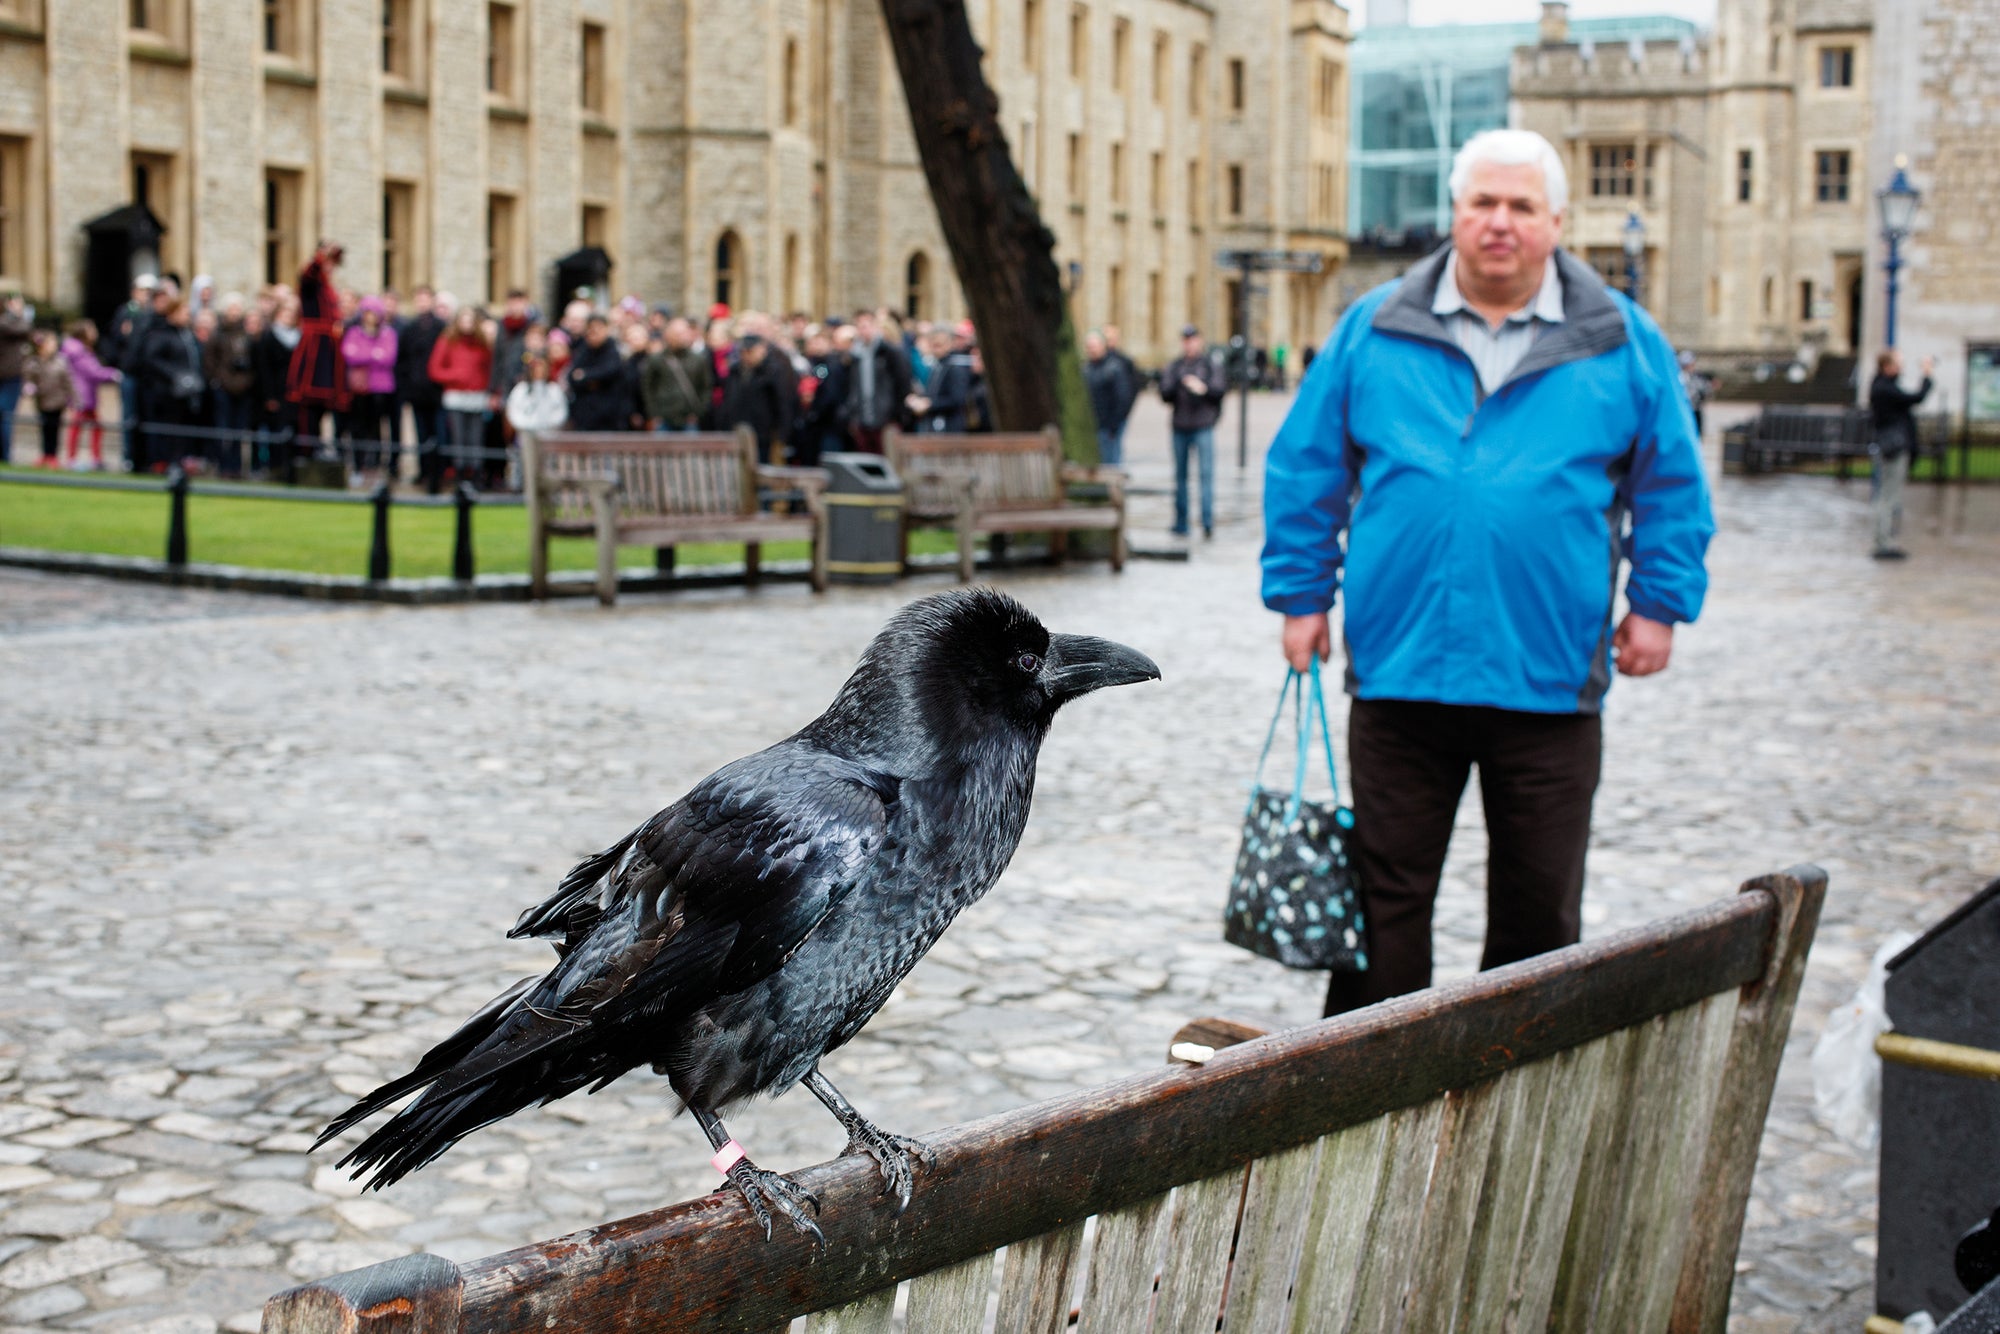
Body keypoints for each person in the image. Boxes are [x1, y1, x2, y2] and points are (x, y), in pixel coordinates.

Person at [1260, 127, 1714, 1019]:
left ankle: (1520, 1099)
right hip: (1401, 671)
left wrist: (1658, 604)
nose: (1499, 223)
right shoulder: (1376, 324)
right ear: (1456, 213)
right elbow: (1306, 467)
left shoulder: (1620, 339)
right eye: (1483, 204)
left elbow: (1672, 482)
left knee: (1539, 916)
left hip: (1546, 677)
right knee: (1381, 910)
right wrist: (1301, 595)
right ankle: (1365, 1095)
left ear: (1556, 222)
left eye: (1520, 207)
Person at [285, 241, 351, 471]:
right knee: (308, 404)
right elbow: (307, 274)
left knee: (327, 403)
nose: (330, 267)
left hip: (330, 350)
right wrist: (320, 256)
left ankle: (321, 446)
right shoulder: (312, 284)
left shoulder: (328, 288)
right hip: (315, 348)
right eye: (328, 263)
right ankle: (307, 449)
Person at [1159, 326, 1226, 538]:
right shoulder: (1176, 366)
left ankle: (1207, 521)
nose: (1189, 344)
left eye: (1193, 340)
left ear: (1199, 341)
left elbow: (1219, 391)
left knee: (1206, 475)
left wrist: (1201, 388)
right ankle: (1181, 521)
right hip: (1180, 426)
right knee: (1180, 476)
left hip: (1203, 426)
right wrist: (1179, 383)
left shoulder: (1209, 365)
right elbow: (1165, 393)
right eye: (1186, 340)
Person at [1867, 348, 1934, 561]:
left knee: (1888, 495)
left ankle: (1885, 540)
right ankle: (1883, 543)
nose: (1901, 367)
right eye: (1898, 363)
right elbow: (1916, 397)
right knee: (1888, 496)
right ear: (1887, 366)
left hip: (1892, 445)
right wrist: (1926, 374)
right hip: (1893, 447)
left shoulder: (1883, 385)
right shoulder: (1884, 388)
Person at [134, 297, 206, 471]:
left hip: (184, 391)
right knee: (166, 428)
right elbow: (152, 359)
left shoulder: (186, 335)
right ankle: (162, 460)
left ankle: (178, 460)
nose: (187, 316)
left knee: (181, 428)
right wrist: (175, 375)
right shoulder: (160, 334)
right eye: (184, 312)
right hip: (165, 391)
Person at [427, 305, 494, 489]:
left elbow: (489, 368)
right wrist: (456, 376)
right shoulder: (447, 341)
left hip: (477, 396)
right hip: (456, 396)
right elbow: (435, 370)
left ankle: (476, 474)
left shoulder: (482, 344)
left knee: (476, 438)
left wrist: (486, 387)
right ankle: (460, 474)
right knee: (459, 437)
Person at [340, 297, 400, 477]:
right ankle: (358, 464)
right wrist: (373, 354)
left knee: (376, 427)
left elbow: (388, 358)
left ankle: (375, 464)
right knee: (358, 427)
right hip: (359, 388)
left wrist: (364, 354)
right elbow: (349, 356)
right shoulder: (354, 333)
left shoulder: (388, 333)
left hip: (381, 389)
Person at [840, 309, 912, 453]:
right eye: (859, 327)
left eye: (865, 326)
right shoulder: (855, 355)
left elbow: (902, 384)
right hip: (862, 418)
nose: (862, 331)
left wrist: (896, 414)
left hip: (885, 418)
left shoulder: (890, 352)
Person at [717, 333, 793, 462]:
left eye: (750, 351)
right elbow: (727, 400)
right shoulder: (735, 371)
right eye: (743, 352)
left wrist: (781, 435)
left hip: (762, 434)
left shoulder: (773, 371)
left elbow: (783, 404)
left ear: (761, 350)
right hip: (737, 430)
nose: (746, 356)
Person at [204, 295, 257, 476]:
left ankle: (237, 466)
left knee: (239, 429)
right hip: (223, 387)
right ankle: (223, 465)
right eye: (231, 308)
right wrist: (219, 380)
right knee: (223, 427)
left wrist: (246, 380)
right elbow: (210, 361)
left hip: (242, 388)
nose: (234, 312)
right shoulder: (218, 334)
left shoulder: (246, 335)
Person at [60, 320, 122, 470]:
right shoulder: (79, 351)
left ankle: (93, 458)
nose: (95, 333)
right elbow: (92, 372)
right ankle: (74, 459)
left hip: (86, 394)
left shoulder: (82, 350)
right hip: (81, 395)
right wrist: (113, 374)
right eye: (91, 330)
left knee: (94, 427)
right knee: (78, 427)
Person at [252, 296, 301, 476]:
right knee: (275, 431)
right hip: (276, 392)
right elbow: (264, 370)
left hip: (293, 391)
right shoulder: (269, 337)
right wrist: (269, 396)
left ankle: (290, 469)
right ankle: (275, 468)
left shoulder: (299, 336)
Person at [641, 316, 713, 432]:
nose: (683, 337)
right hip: (663, 418)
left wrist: (699, 412)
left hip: (689, 418)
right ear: (668, 336)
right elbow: (648, 388)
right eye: (678, 334)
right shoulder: (656, 360)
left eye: (685, 333)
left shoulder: (698, 360)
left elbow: (706, 387)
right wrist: (654, 413)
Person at [1083, 329, 1139, 466]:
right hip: (1094, 424)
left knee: (1112, 463)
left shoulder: (1115, 367)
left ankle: (1112, 488)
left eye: (1094, 346)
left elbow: (1123, 397)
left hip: (1110, 425)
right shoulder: (1086, 368)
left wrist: (1115, 423)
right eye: (1089, 347)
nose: (1092, 350)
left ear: (1103, 346)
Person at [564, 312, 627, 432]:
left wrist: (585, 375)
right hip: (585, 417)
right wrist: (590, 379)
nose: (594, 333)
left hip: (609, 419)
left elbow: (610, 371)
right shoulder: (583, 351)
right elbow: (571, 376)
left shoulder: (612, 351)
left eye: (598, 328)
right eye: (591, 329)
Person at [504, 353, 569, 462]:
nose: (539, 371)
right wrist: (529, 425)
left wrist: (548, 424)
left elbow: (561, 413)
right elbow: (514, 412)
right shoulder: (521, 390)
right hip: (526, 438)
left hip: (549, 437)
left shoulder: (553, 390)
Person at [25, 330, 73, 468]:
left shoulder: (61, 361)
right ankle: (45, 454)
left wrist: (73, 399)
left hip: (57, 401)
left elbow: (68, 382)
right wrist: (29, 387)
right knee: (44, 429)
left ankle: (53, 455)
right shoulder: (35, 361)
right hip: (42, 401)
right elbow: (29, 377)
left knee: (54, 429)